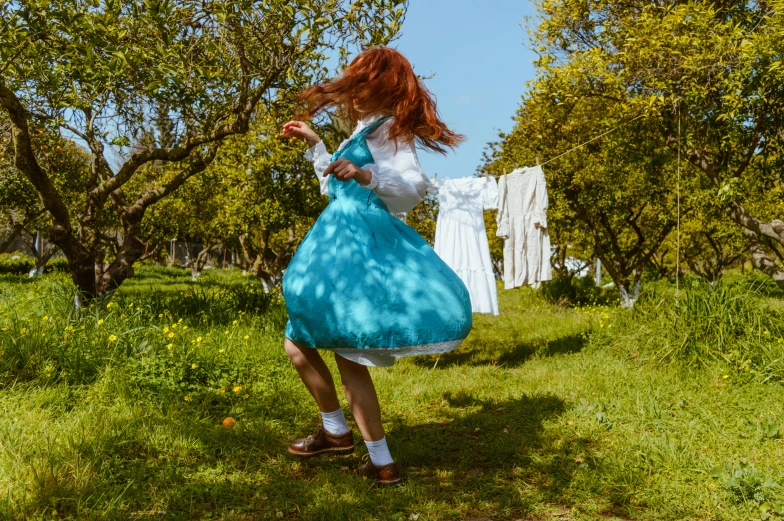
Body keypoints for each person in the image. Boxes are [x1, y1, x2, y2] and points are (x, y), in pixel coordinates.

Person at [280, 47, 472, 486]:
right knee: (302, 342)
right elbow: (332, 186)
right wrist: (318, 146)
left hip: (357, 249)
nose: (357, 96)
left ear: (386, 89)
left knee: (347, 354)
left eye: (366, 88)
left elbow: (413, 188)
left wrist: (368, 177)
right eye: (354, 87)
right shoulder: (363, 131)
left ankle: (377, 458)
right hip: (335, 244)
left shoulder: (387, 130)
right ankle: (339, 434)